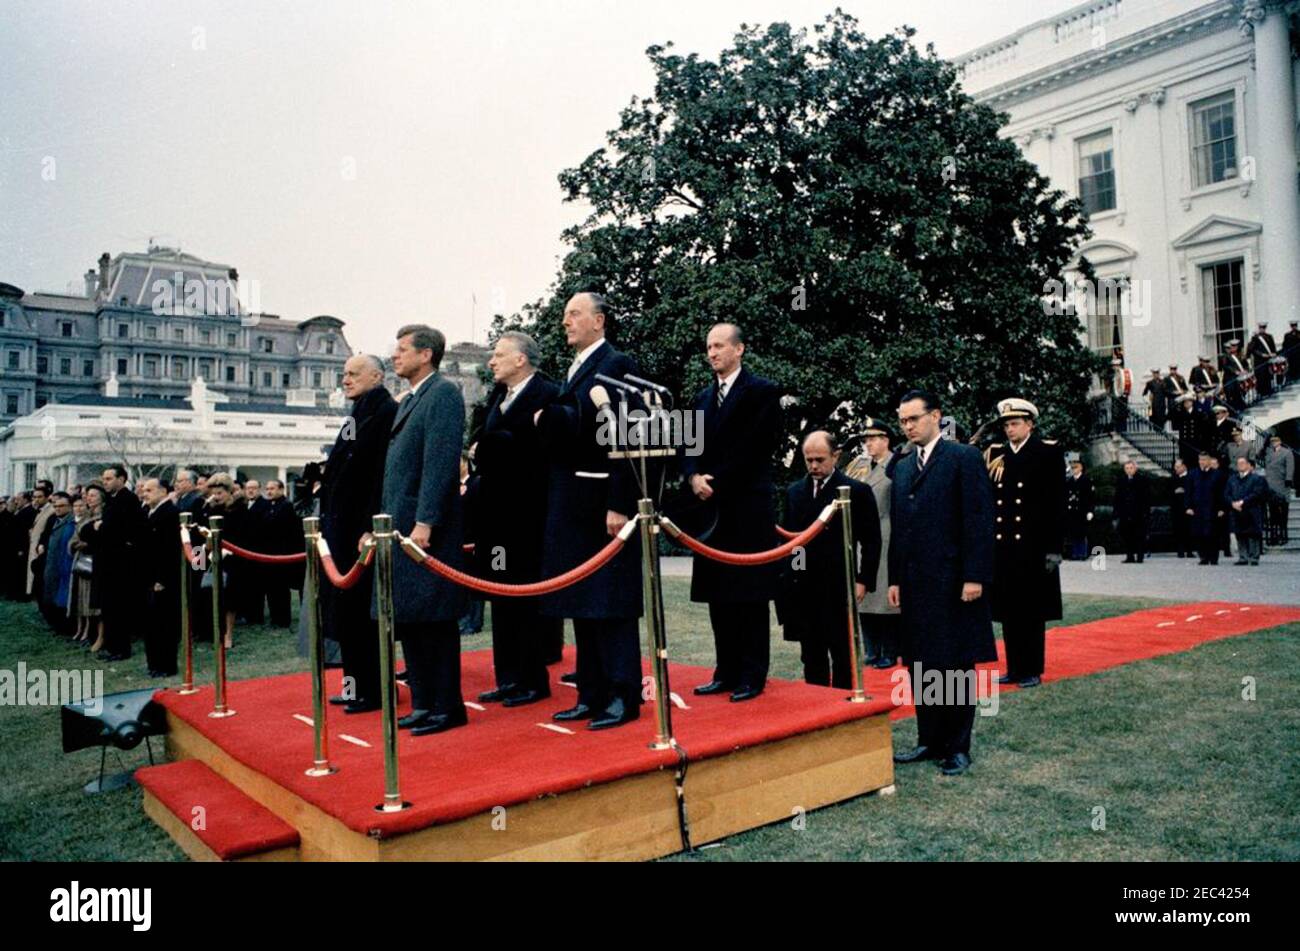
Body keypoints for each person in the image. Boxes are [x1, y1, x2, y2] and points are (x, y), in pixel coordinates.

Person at [534, 292, 644, 731]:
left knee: (611, 603)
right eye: (564, 316)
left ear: (599, 321)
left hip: (602, 502)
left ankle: (622, 695)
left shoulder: (617, 364)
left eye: (574, 314)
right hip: (573, 503)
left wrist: (620, 501)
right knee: (582, 600)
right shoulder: (577, 367)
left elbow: (626, 434)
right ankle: (591, 692)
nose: (566, 322)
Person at [888, 390, 996, 777]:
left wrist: (975, 575)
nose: (907, 427)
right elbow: (900, 528)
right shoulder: (902, 466)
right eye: (902, 421)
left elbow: (979, 519)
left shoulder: (962, 458)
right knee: (921, 663)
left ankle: (957, 746)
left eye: (913, 419)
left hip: (954, 582)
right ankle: (929, 739)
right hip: (915, 585)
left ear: (936, 416)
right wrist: (895, 577)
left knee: (954, 664)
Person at [373, 324, 469, 737]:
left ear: (425, 354)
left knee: (434, 621)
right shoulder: (411, 399)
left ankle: (446, 707)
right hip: (401, 530)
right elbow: (396, 475)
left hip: (425, 530)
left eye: (402, 349)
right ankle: (425, 702)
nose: (395, 356)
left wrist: (426, 521)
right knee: (411, 620)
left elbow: (439, 464)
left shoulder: (443, 394)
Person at [683, 322, 783, 702]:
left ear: (739, 349)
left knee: (749, 595)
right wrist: (693, 476)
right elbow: (688, 446)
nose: (712, 353)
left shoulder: (763, 392)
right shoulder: (701, 398)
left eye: (720, 346)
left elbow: (757, 447)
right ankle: (725, 670)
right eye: (708, 346)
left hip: (746, 508)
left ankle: (752, 674)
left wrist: (716, 480)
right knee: (718, 595)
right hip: (710, 512)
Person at [470, 331, 561, 707]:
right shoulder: (497, 397)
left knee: (525, 600)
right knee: (500, 596)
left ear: (521, 359)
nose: (492, 361)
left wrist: (493, 446)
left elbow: (533, 450)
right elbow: (481, 440)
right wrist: (493, 446)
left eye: (499, 355)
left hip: (528, 519)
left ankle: (532, 680)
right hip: (495, 522)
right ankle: (508, 677)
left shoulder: (549, 394)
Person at [320, 354, 397, 714]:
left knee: (364, 616)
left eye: (353, 374)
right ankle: (354, 687)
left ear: (376, 376)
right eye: (344, 374)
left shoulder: (384, 412)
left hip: (360, 531)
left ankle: (376, 690)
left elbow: (379, 476)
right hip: (340, 528)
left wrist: (369, 525)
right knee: (346, 616)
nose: (345, 379)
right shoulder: (357, 412)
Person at [779, 431, 879, 689]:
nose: (813, 466)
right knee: (811, 653)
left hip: (838, 585)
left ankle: (842, 704)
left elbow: (871, 541)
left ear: (836, 456)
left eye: (819, 459)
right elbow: (791, 542)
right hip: (804, 587)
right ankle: (817, 703)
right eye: (808, 459)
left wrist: (863, 580)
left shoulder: (856, 491)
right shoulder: (794, 492)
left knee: (841, 653)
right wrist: (793, 578)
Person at [985, 399, 1064, 689]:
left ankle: (1031, 668)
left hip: (1034, 547)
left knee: (1031, 612)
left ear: (1030, 424)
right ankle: (1014, 667)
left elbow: (1057, 503)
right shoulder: (997, 455)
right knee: (1008, 611)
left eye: (1015, 423)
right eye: (1006, 424)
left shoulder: (1047, 452)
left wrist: (1055, 549)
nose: (1009, 429)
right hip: (1004, 547)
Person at [844, 418, 899, 668]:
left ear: (885, 439)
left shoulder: (896, 464)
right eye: (866, 439)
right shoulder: (859, 465)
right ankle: (871, 649)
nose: (868, 444)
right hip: (861, 534)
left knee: (885, 597)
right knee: (863, 593)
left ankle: (889, 649)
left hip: (886, 530)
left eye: (873, 439)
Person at [96, 465, 144, 660]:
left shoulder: (128, 500)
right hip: (109, 562)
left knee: (119, 609)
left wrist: (102, 527)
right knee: (109, 608)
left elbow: (123, 531)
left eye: (109, 478)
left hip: (121, 564)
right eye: (104, 478)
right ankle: (112, 646)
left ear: (121, 479)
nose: (105, 482)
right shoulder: (111, 500)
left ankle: (121, 649)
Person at [197, 473, 248, 651]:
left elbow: (242, 534)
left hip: (233, 558)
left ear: (228, 491)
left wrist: (226, 548)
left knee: (230, 599)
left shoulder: (239, 509)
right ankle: (213, 632)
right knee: (210, 593)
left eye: (219, 493)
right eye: (214, 493)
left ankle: (228, 635)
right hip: (212, 556)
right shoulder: (210, 509)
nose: (216, 497)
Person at [140, 478, 181, 677]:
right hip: (149, 576)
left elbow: (171, 550)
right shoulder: (149, 512)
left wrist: (163, 579)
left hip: (163, 579)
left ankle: (166, 666)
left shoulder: (171, 513)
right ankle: (154, 664)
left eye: (149, 490)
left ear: (163, 491)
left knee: (165, 624)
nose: (145, 494)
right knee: (152, 624)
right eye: (143, 490)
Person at [261, 479, 302, 628]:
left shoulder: (287, 506)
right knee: (271, 588)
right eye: (267, 489)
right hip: (268, 553)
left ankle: (283, 619)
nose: (269, 491)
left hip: (282, 552)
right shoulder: (267, 507)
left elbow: (290, 531)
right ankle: (274, 618)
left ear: (281, 489)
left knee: (281, 588)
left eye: (272, 488)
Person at [71, 486, 106, 649]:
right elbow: (75, 536)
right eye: (88, 495)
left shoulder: (104, 516)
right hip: (81, 563)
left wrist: (88, 544)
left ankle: (101, 636)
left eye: (93, 495)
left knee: (98, 602)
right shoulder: (85, 516)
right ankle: (86, 631)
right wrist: (74, 544)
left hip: (97, 562)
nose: (89, 498)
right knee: (83, 599)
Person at [39, 492, 77, 634]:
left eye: (61, 506)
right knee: (51, 594)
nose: (58, 509)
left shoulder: (71, 522)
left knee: (62, 596)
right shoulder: (54, 520)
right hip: (51, 563)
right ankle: (55, 623)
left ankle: (65, 627)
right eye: (55, 506)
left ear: (69, 506)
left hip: (63, 564)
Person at [1224, 456, 1268, 566]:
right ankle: (1243, 557)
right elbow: (1226, 493)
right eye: (1238, 463)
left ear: (1248, 465)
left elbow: (1257, 493)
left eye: (1243, 463)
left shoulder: (1256, 479)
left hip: (1251, 510)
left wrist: (1243, 502)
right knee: (1240, 534)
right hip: (1237, 510)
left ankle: (1254, 557)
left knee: (1253, 534)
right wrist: (1232, 503)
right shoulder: (1232, 479)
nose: (1240, 465)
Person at [1186, 451, 1226, 565]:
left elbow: (1222, 493)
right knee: (1199, 534)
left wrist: (1222, 508)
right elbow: (1188, 492)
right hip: (1197, 509)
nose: (1201, 462)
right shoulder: (1193, 474)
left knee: (1212, 534)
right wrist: (1188, 506)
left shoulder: (1217, 474)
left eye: (1204, 460)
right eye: (1200, 460)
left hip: (1212, 508)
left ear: (1209, 461)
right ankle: (1203, 556)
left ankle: (1213, 557)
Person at [238, 479, 270, 624]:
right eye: (248, 488)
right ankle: (248, 614)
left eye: (253, 488)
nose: (250, 491)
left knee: (257, 586)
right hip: (245, 551)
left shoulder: (265, 505)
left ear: (259, 489)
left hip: (258, 550)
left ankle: (256, 616)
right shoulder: (244, 505)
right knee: (247, 585)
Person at [1112, 460, 1149, 564]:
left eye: (1131, 468)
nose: (1129, 470)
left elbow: (1146, 497)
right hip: (1125, 512)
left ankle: (1140, 556)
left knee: (1139, 535)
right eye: (1127, 468)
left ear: (1135, 468)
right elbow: (1117, 497)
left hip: (1138, 512)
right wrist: (1116, 512)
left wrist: (1145, 512)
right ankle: (1130, 556)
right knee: (1127, 535)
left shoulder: (1142, 479)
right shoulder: (1121, 480)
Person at [1262, 435, 1294, 546]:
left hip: (1281, 485)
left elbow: (1290, 466)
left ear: (1280, 442)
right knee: (1273, 513)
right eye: (1272, 441)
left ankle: (1283, 535)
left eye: (1275, 441)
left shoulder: (1286, 452)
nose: (1273, 443)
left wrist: (1288, 479)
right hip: (1270, 485)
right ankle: (1274, 535)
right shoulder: (1269, 453)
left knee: (1283, 512)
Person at [1064, 459, 1094, 560]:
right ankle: (1074, 553)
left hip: (1082, 510)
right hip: (1072, 511)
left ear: (1080, 468)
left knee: (1081, 533)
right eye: (1072, 468)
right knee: (1073, 533)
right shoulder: (1070, 481)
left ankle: (1082, 553)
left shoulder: (1086, 480)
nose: (1073, 470)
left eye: (1075, 467)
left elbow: (1090, 497)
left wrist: (1090, 511)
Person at [1247, 322, 1278, 399]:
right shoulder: (1255, 338)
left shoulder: (1269, 336)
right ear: (1259, 328)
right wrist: (1261, 354)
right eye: (1261, 328)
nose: (1262, 329)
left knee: (1268, 376)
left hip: (1268, 360)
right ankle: (1261, 393)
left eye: (1263, 328)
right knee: (1260, 377)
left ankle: (1268, 391)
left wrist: (1274, 354)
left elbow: (1273, 348)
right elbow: (1251, 349)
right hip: (1259, 361)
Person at [1220, 340, 1250, 411]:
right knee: (1232, 395)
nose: (1233, 348)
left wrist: (1246, 370)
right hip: (1230, 379)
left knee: (1239, 394)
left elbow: (1246, 364)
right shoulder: (1226, 356)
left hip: (1240, 379)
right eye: (1232, 346)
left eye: (1235, 346)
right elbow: (1225, 366)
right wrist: (1235, 371)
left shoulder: (1240, 355)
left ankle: (1241, 407)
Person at [1171, 458, 1191, 558]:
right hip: (1177, 508)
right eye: (1175, 467)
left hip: (1188, 507)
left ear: (1184, 466)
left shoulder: (1190, 477)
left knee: (1189, 528)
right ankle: (1180, 550)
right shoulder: (1173, 478)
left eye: (1178, 467)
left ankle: (1190, 550)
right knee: (1179, 529)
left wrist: (1184, 491)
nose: (1176, 469)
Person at [1283, 320, 1300, 385]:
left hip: (1298, 355)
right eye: (1292, 326)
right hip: (1291, 356)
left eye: (1295, 326)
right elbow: (1285, 345)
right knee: (1292, 369)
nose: (1294, 327)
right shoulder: (1287, 335)